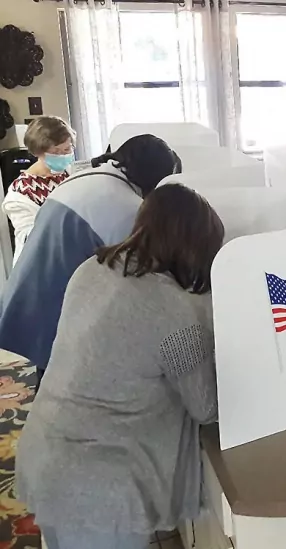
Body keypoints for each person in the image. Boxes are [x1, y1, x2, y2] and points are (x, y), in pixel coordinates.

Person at [17, 183, 223, 548]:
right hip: (99, 489)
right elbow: (206, 407)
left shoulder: (93, 269)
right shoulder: (175, 313)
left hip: (44, 452)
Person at [0, 135, 181, 381]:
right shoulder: (121, 204)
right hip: (57, 302)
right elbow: (138, 272)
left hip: (34, 288)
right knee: (61, 377)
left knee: (51, 374)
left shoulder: (85, 179)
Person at [2, 116, 76, 265]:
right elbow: (29, 238)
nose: (63, 156)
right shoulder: (20, 193)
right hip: (41, 262)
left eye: (67, 149)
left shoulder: (70, 173)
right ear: (37, 152)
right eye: (56, 152)